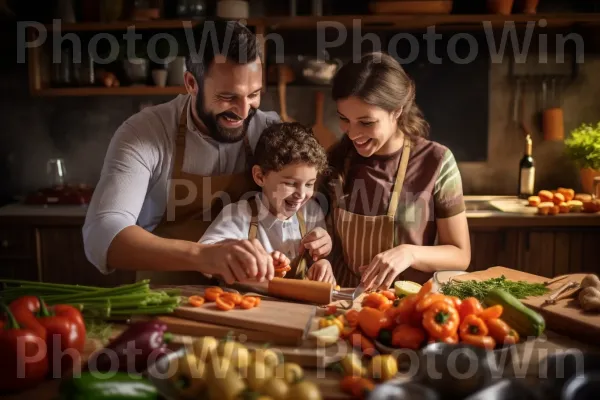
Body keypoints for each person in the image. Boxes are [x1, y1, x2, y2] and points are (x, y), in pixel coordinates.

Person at [83, 20, 283, 285]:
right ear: (191, 83)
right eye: (227, 97)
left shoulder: (269, 130)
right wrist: (203, 255)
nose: (244, 112)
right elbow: (101, 233)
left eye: (254, 95)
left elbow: (303, 206)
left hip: (252, 299)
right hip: (166, 296)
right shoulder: (145, 132)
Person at [324, 52, 471, 290]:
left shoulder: (436, 162)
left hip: (409, 306)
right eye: (344, 119)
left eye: (366, 122)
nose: (352, 134)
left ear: (397, 111)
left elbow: (460, 255)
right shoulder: (336, 160)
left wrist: (409, 254)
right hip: (344, 303)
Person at [199, 122, 336, 284]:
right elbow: (204, 260)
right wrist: (250, 260)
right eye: (290, 184)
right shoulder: (238, 214)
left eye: (309, 184)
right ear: (260, 176)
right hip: (247, 304)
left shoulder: (311, 212)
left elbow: (316, 264)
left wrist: (322, 263)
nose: (301, 194)